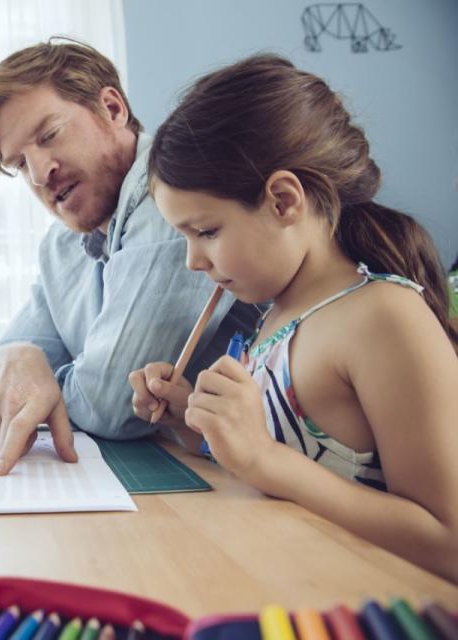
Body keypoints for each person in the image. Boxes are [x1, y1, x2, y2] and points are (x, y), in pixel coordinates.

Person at [130, 53, 458, 581]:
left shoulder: (384, 317)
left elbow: (448, 543)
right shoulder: (276, 316)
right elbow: (291, 458)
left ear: (284, 200)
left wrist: (261, 458)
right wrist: (193, 420)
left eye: (206, 232)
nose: (193, 260)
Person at [0, 38, 259, 475]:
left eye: (49, 135)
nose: (41, 174)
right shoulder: (61, 245)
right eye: (20, 164)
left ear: (113, 109)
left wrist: (35, 382)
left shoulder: (175, 201)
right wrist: (14, 357)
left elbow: (111, 405)